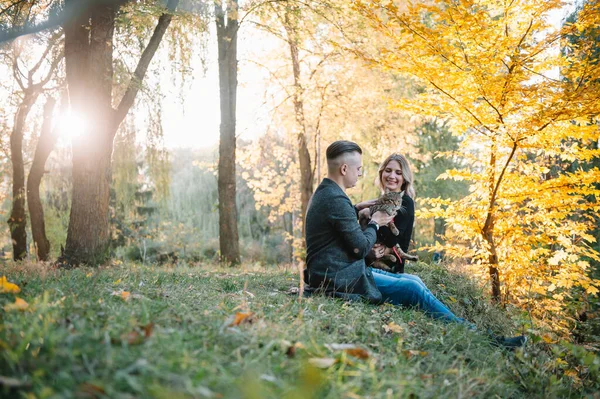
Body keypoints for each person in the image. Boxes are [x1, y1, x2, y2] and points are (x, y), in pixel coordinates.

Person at [304, 140, 526, 349]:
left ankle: (475, 331)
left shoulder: (328, 193)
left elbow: (340, 224)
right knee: (412, 287)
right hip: (338, 277)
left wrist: (356, 209)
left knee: (414, 280)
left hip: (336, 270)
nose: (360, 173)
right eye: (358, 168)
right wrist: (374, 222)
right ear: (344, 169)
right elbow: (361, 248)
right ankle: (486, 340)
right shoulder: (336, 199)